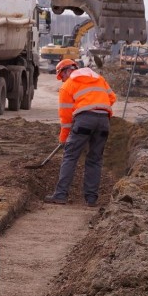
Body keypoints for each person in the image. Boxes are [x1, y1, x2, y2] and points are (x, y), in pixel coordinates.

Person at [44, 59, 116, 207]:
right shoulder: (99, 78)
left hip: (84, 120)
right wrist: (97, 106)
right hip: (104, 121)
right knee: (95, 159)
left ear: (67, 71)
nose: (62, 80)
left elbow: (66, 117)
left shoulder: (68, 85)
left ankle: (60, 195)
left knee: (70, 157)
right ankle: (91, 199)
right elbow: (112, 98)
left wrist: (64, 138)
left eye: (61, 76)